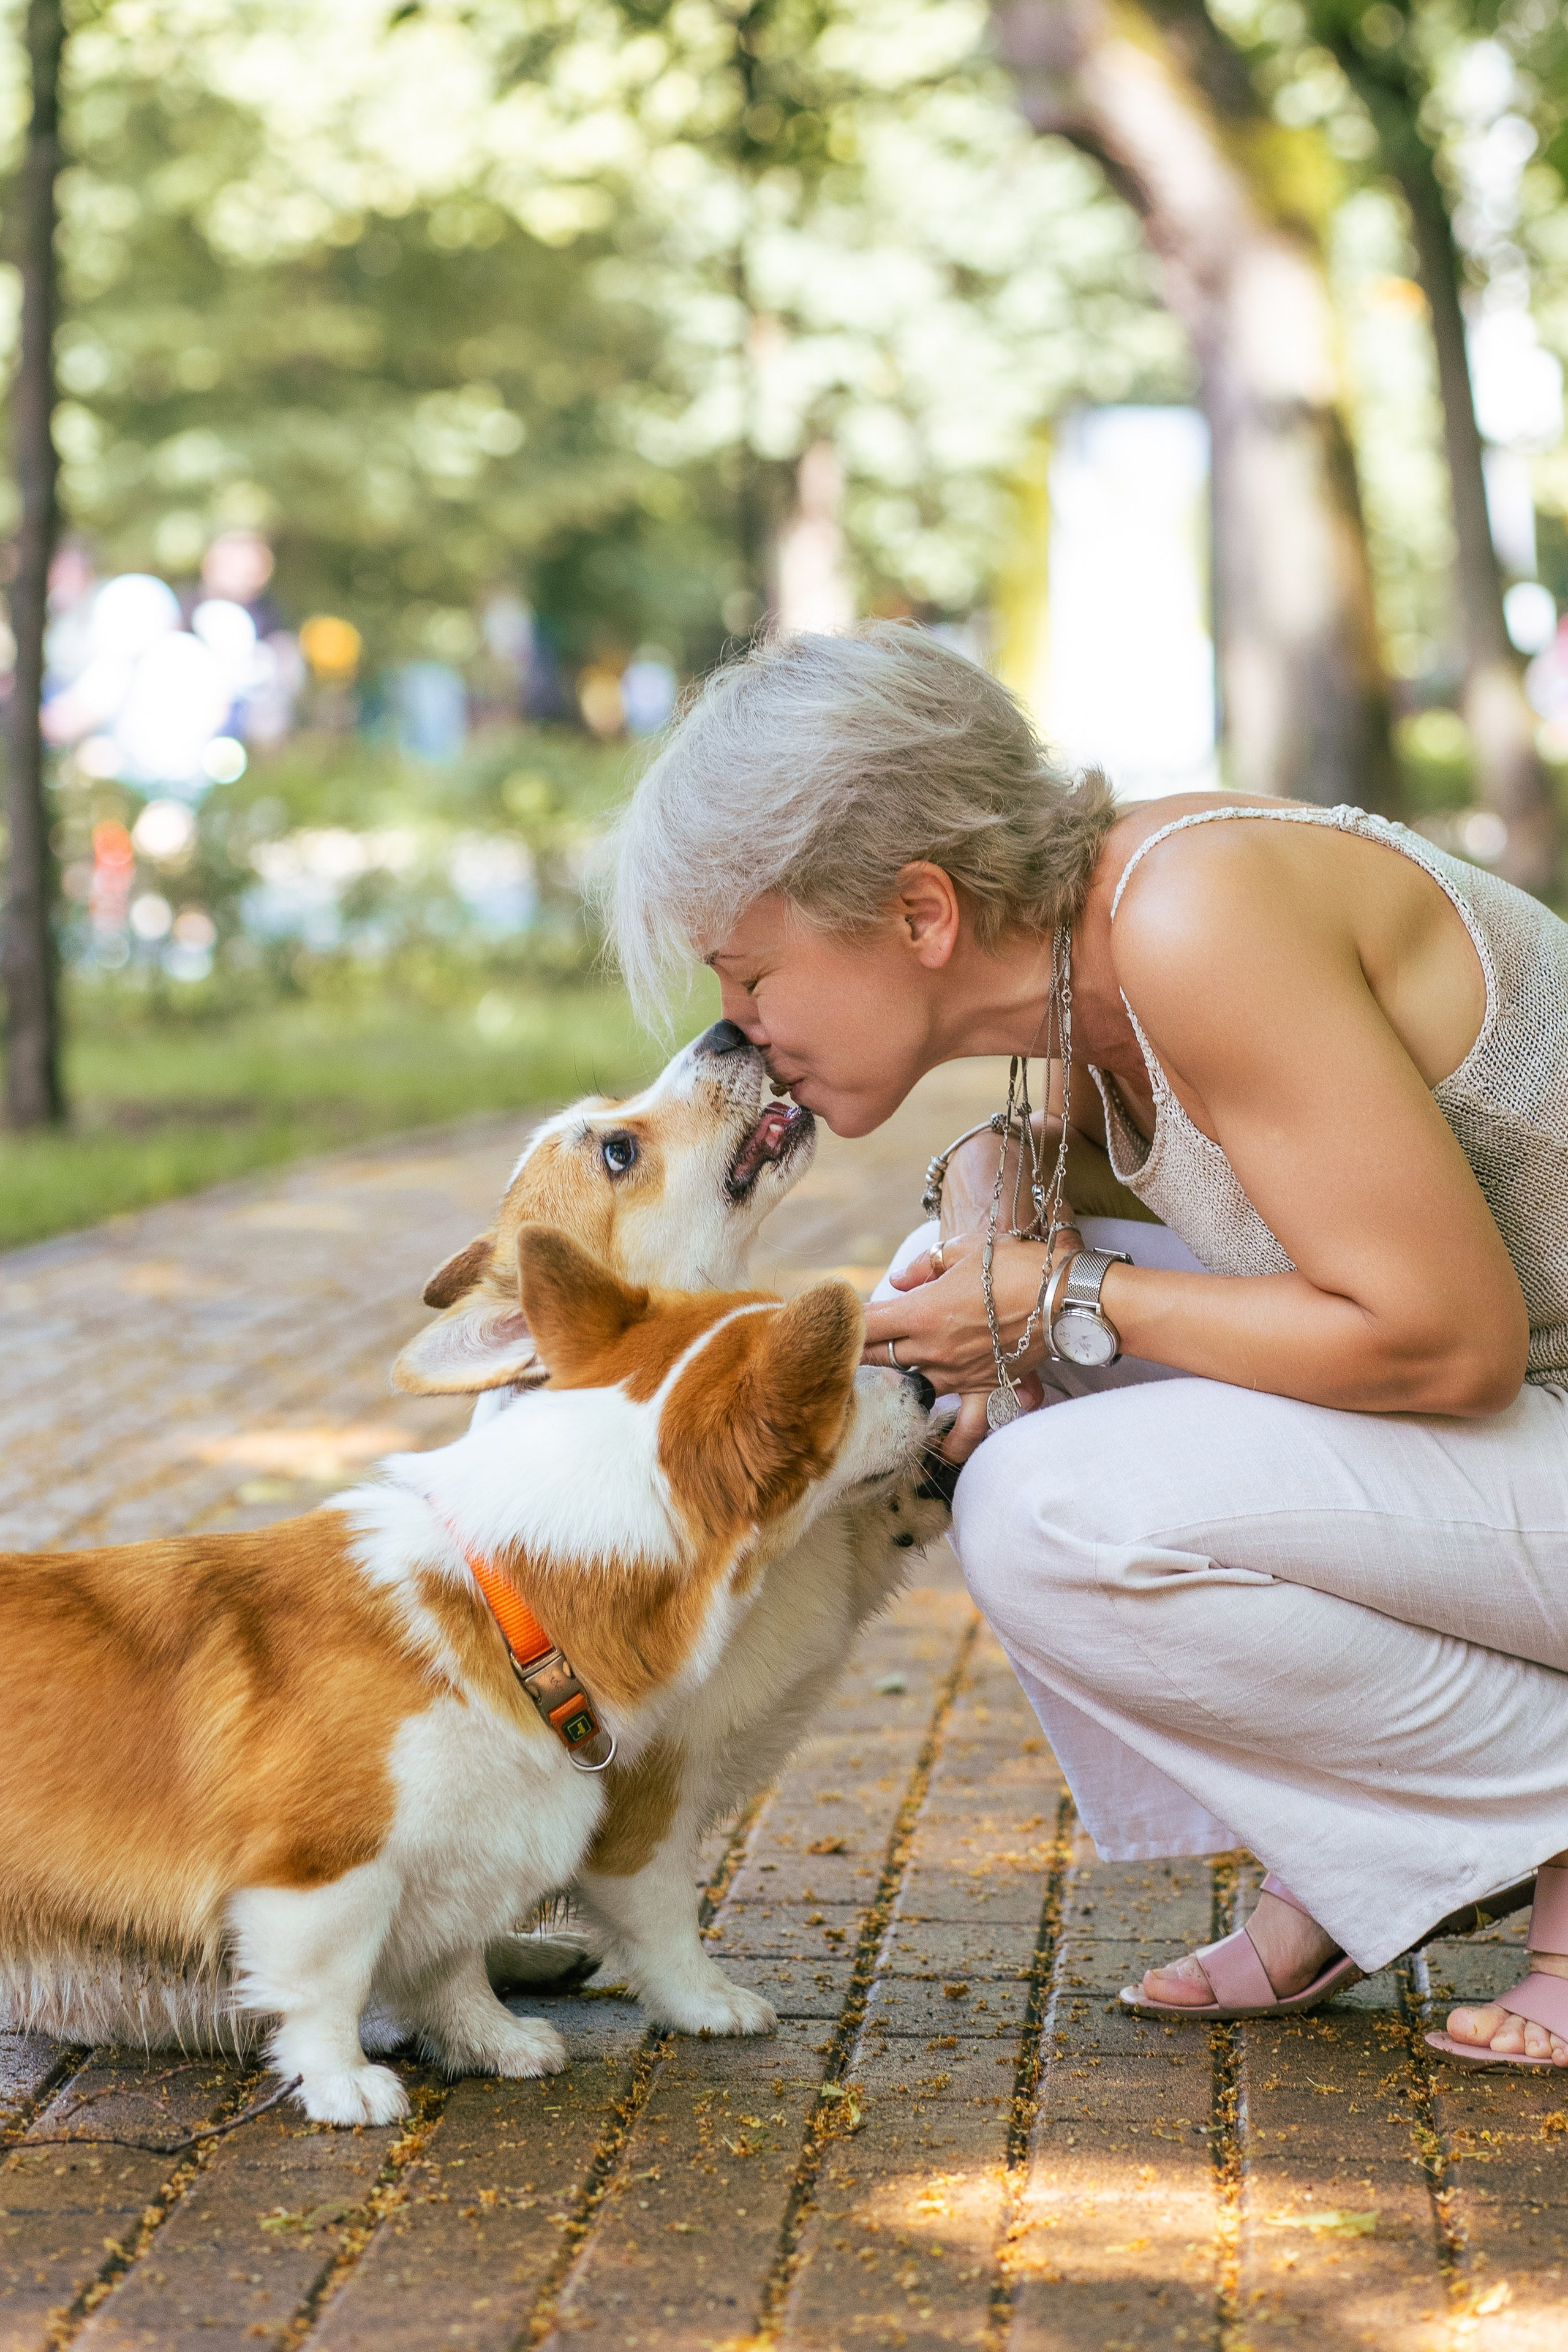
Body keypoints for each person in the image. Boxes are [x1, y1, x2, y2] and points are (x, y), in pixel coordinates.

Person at [609, 621, 1568, 2071]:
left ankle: (1505, 1818)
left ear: (919, 913)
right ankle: (1374, 1846)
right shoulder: (1096, 945)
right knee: (964, 1304)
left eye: (750, 976)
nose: (738, 1029)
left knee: (1049, 1501)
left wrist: (1058, 1296)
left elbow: (1444, 1346)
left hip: (1514, 1387)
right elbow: (1182, 1189)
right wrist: (996, 1193)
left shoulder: (1199, 919)